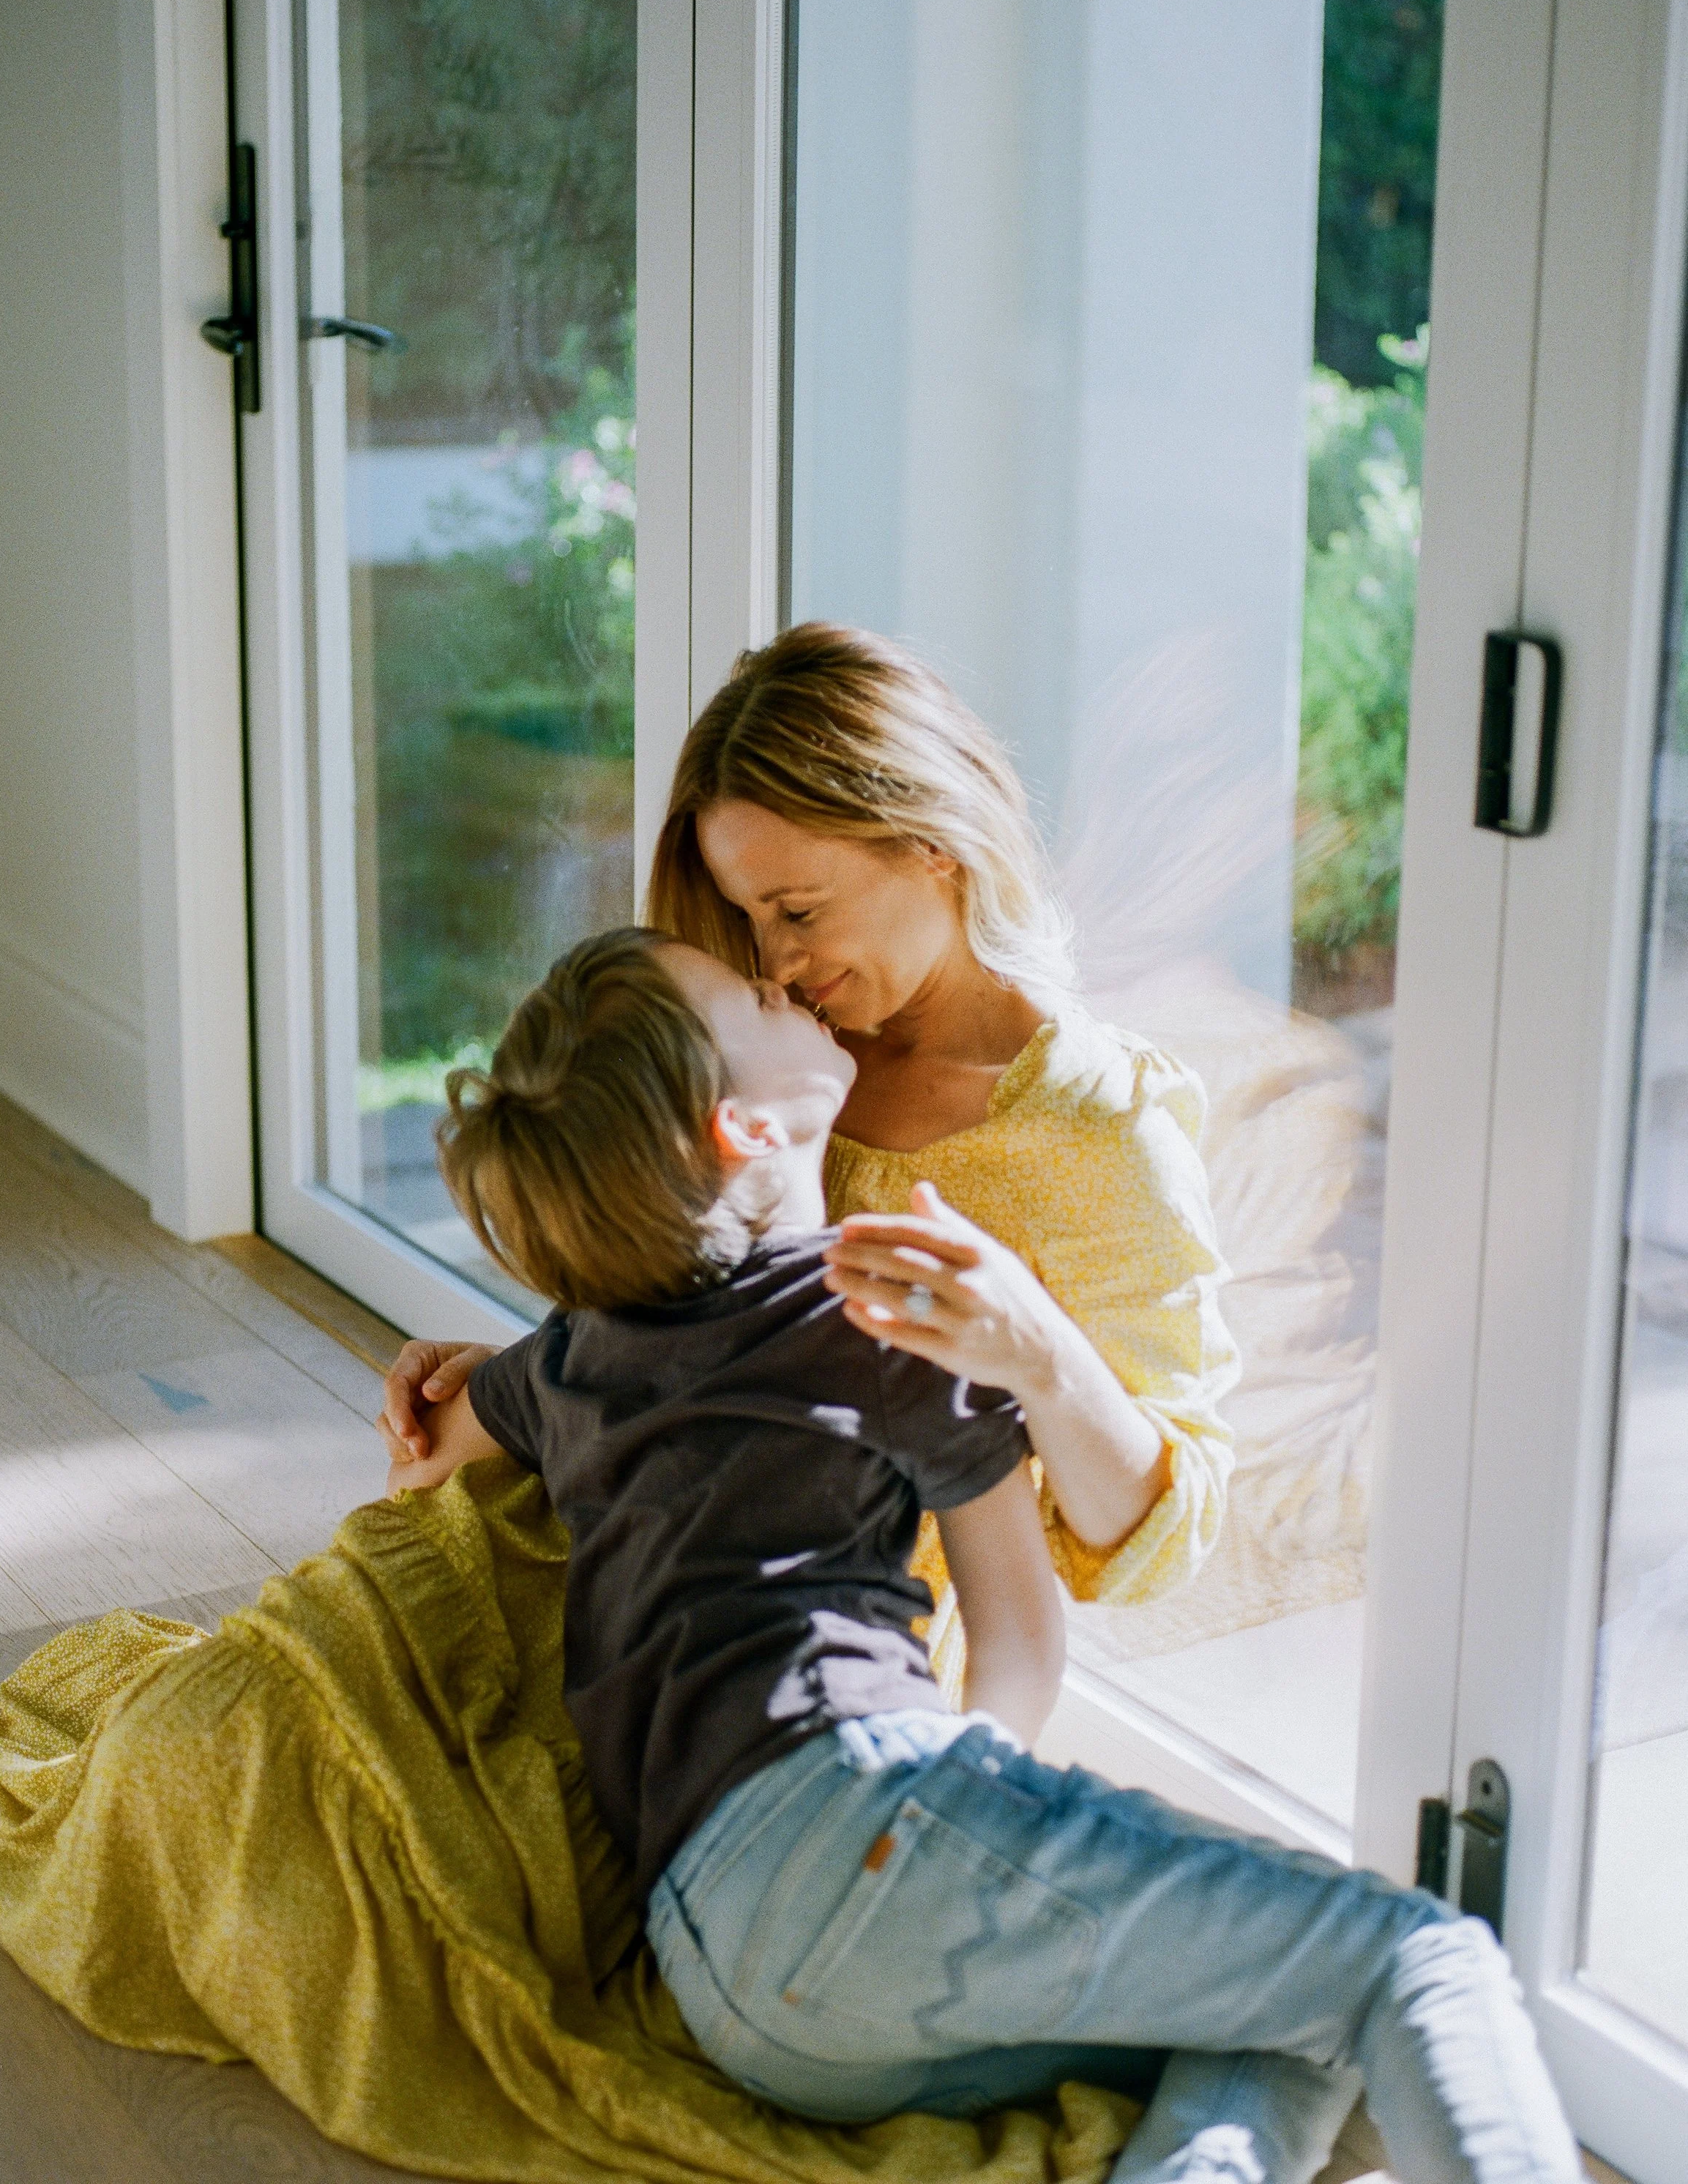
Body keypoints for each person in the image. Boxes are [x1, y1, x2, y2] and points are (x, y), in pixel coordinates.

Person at [384, 924, 1580, 2184]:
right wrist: (977, 1839)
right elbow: (1019, 1640)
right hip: (863, 1821)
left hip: (730, 1983)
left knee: (1284, 2006)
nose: (785, 975)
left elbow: (432, 1444)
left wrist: (431, 1377)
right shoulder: (897, 1308)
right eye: (752, 990)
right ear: (743, 1130)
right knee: (1422, 1955)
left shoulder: (569, 1358)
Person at [385, 623, 1240, 1685]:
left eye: (799, 910)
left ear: (931, 839)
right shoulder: (769, 1057)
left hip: (823, 1688)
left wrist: (1042, 1359)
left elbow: (1158, 1543)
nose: (779, 962)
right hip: (625, 1611)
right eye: (751, 919)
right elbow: (695, 1313)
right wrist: (539, 1368)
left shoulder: (1093, 1132)